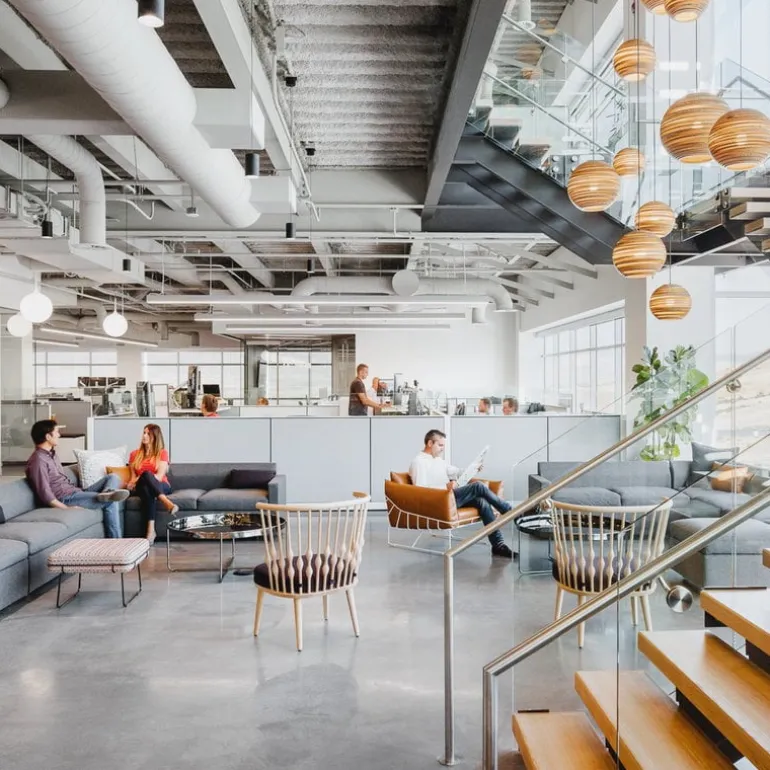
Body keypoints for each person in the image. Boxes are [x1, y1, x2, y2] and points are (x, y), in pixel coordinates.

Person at [408, 429, 514, 559]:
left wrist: (473, 469)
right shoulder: (418, 462)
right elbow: (420, 491)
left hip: (449, 497)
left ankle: (498, 545)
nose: (442, 449)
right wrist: (445, 487)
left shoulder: (438, 460)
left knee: (482, 502)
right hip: (437, 501)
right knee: (478, 486)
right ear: (430, 443)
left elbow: (456, 472)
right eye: (440, 445)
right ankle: (509, 510)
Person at [25, 420, 129, 538]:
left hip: (76, 492)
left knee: (112, 477)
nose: (59, 435)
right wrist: (65, 508)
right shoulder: (38, 461)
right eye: (57, 432)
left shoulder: (52, 455)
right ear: (48, 436)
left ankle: (106, 493)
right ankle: (115, 540)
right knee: (110, 501)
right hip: (66, 498)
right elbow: (44, 492)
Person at [127, 423, 178, 543]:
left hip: (161, 485)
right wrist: (132, 482)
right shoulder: (134, 454)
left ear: (155, 437)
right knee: (145, 477)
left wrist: (144, 476)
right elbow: (133, 478)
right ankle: (165, 502)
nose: (144, 436)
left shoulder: (162, 453)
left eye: (148, 434)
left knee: (147, 485)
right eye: (144, 433)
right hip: (140, 486)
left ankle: (151, 530)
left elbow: (159, 476)